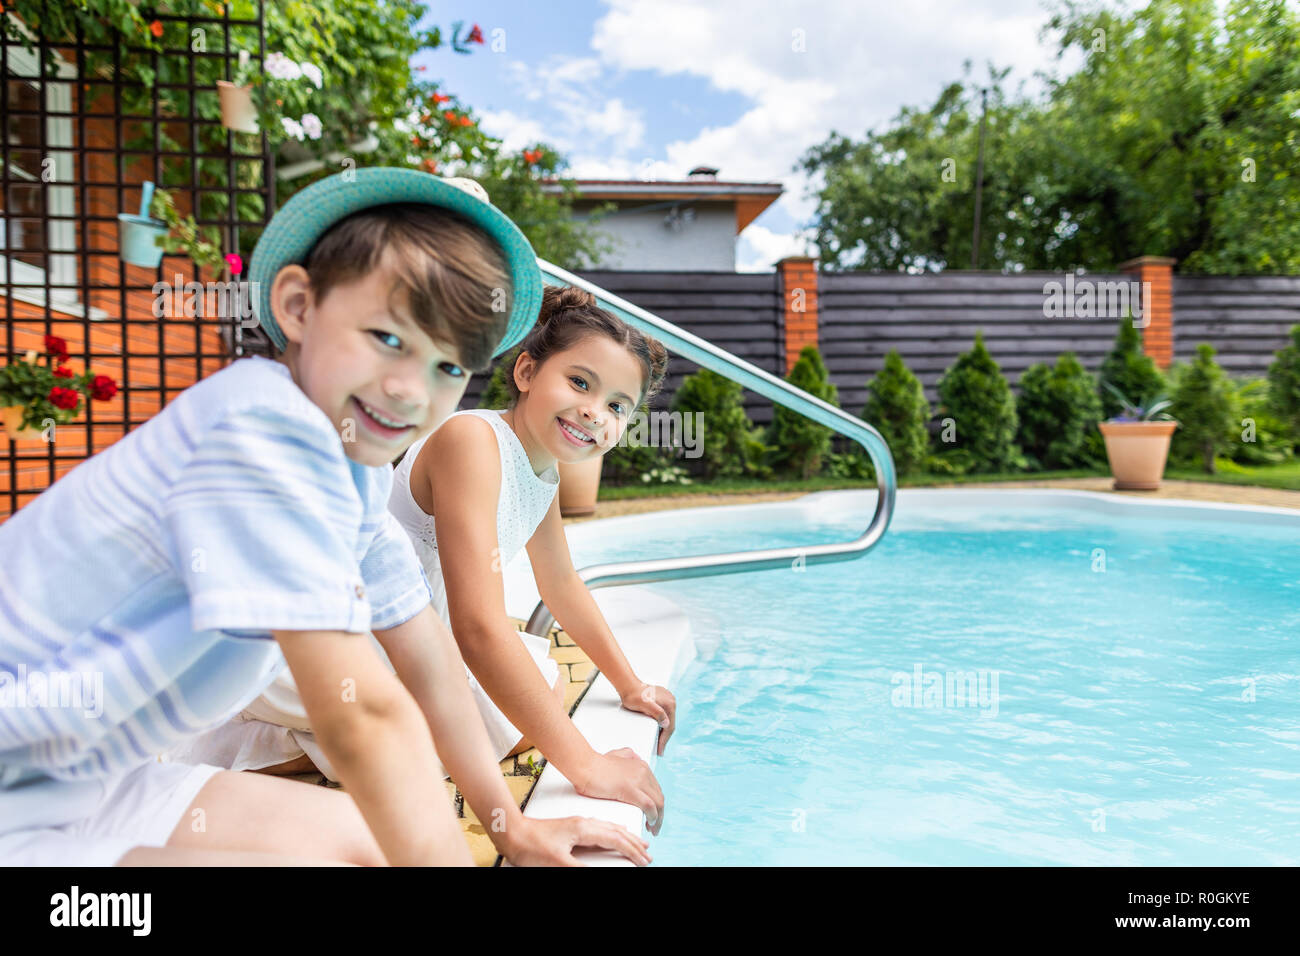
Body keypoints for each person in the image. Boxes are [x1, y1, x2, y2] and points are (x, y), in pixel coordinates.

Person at [0, 168, 649, 866]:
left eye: (448, 366)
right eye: (388, 338)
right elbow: (363, 714)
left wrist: (509, 830)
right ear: (299, 306)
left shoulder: (358, 470)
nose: (410, 391)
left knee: (368, 846)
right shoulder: (260, 431)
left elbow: (427, 658)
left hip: (96, 781)